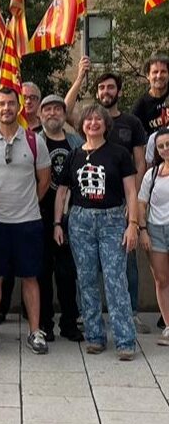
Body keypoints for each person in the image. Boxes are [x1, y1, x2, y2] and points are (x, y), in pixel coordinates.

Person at [66, 64, 149, 334]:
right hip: (86, 213)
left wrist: (133, 212)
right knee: (87, 275)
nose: (106, 91)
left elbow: (139, 164)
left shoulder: (131, 123)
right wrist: (80, 76)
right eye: (101, 87)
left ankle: (128, 319)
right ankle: (92, 325)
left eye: (111, 87)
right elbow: (66, 110)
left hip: (120, 207)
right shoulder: (84, 132)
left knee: (122, 270)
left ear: (119, 92)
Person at [54, 104, 138, 361]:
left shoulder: (119, 153)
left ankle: (125, 339)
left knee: (115, 281)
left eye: (98, 119)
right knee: (87, 280)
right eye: (88, 120)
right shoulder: (74, 155)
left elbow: (131, 191)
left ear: (105, 124)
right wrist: (57, 223)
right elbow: (62, 191)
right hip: (80, 222)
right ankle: (94, 336)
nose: (93, 123)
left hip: (112, 220)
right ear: (81, 125)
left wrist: (133, 224)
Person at [0, 87, 51, 355]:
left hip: (28, 222)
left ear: (19, 107)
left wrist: (27, 204)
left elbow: (44, 180)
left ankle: (35, 331)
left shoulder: (35, 141)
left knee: (30, 277)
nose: (6, 108)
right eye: (1, 104)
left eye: (10, 103)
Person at [37, 95, 83, 342]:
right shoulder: (33, 141)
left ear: (64, 115)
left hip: (70, 215)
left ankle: (69, 322)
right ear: (40, 115)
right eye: (48, 109)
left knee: (67, 273)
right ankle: (44, 322)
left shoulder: (76, 142)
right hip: (40, 214)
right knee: (42, 271)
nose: (52, 113)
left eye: (57, 109)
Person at [138, 127, 169, 345]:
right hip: (156, 230)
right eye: (161, 146)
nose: (165, 149)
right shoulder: (153, 174)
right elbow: (141, 203)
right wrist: (142, 230)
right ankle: (168, 325)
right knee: (161, 280)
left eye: (168, 144)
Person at [132, 52, 169, 136]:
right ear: (148, 75)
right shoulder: (140, 107)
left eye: (163, 71)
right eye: (155, 72)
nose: (159, 76)